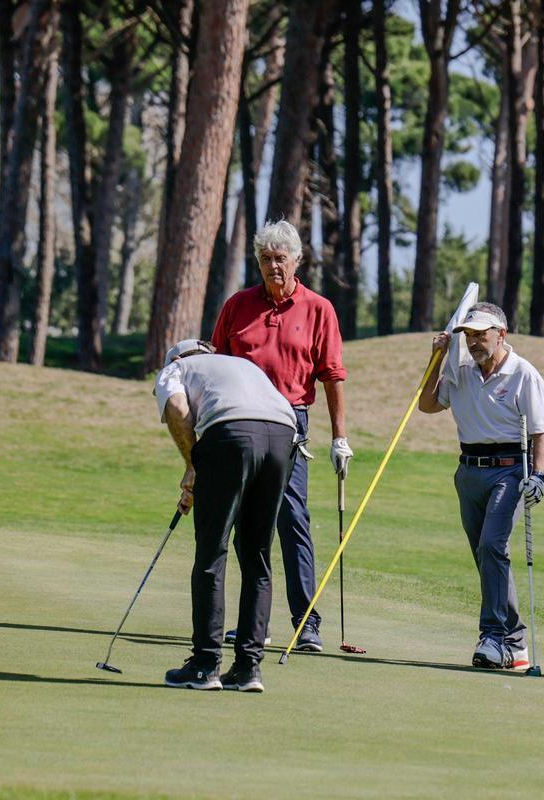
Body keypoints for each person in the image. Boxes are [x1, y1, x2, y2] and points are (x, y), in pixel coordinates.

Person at [211, 220, 351, 652]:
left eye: (281, 259)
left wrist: (339, 438)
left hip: (290, 421)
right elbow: (218, 365)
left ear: (297, 261)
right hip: (241, 418)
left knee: (292, 520)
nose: (274, 266)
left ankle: (306, 622)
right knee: (249, 523)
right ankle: (256, 623)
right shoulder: (238, 305)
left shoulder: (318, 308)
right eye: (266, 259)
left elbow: (331, 375)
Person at [154, 339, 299, 692]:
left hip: (231, 434)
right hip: (284, 436)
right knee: (256, 554)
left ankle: (205, 665)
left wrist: (193, 465)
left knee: (211, 551)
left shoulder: (175, 368)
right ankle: (248, 669)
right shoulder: (240, 365)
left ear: (177, 355)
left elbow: (176, 406)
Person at [417, 303, 544, 671]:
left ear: (501, 334)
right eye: (469, 335)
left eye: (481, 334)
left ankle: (493, 635)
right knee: (486, 555)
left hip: (509, 471)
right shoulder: (460, 371)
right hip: (468, 471)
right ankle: (515, 642)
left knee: (493, 546)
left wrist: (539, 475)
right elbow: (427, 404)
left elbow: (541, 431)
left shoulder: (523, 373)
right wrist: (436, 358)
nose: (474, 341)